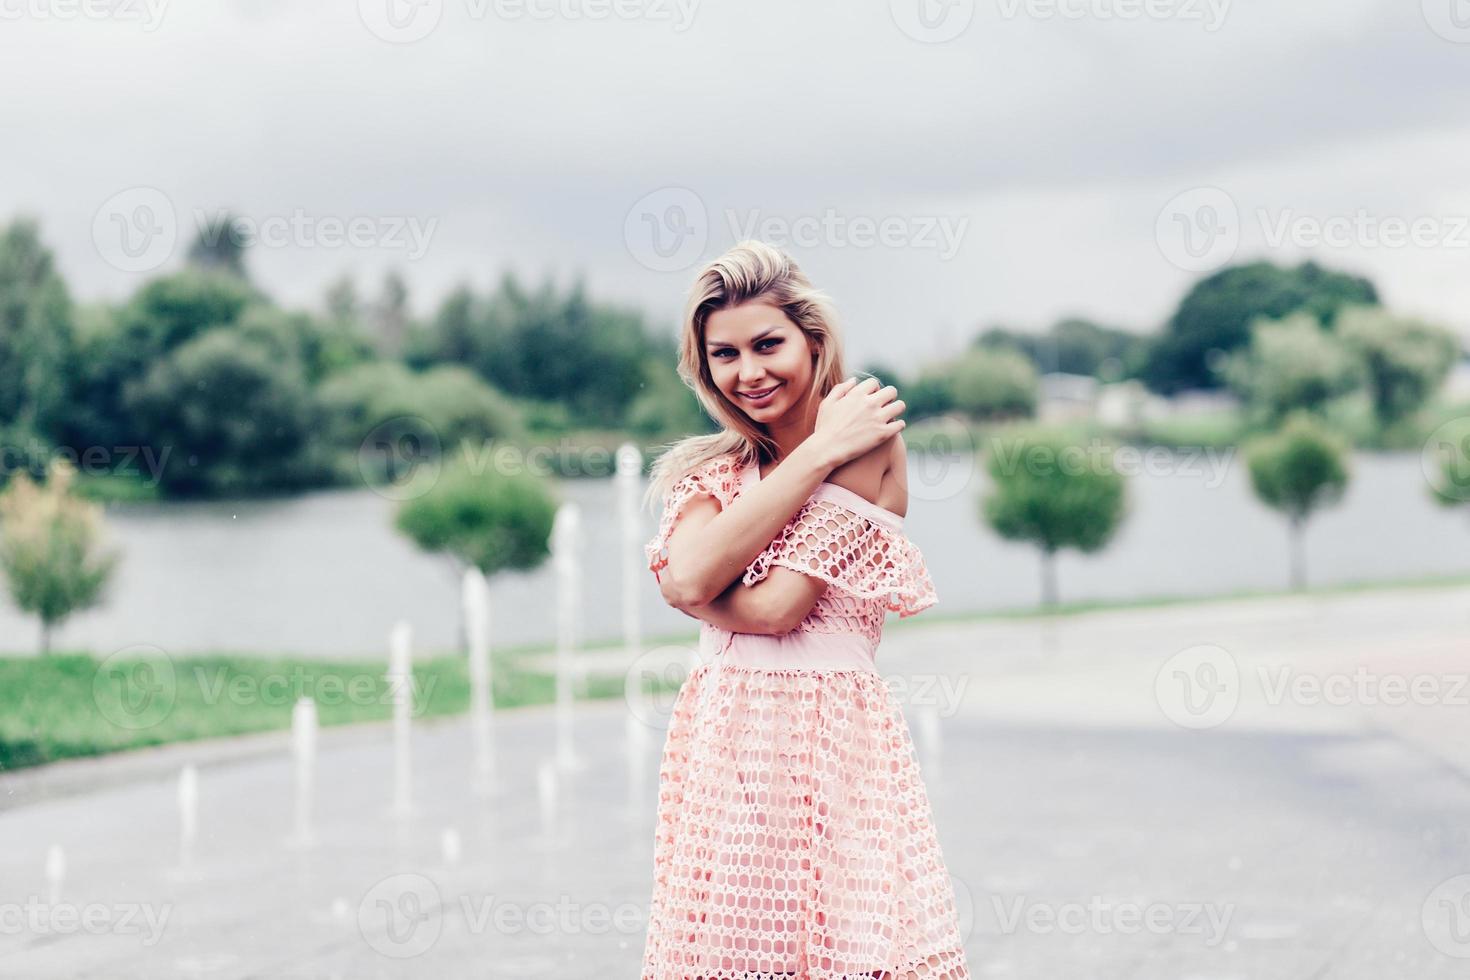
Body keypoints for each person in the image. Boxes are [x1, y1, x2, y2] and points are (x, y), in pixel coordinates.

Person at [638, 240, 971, 980]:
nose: (748, 372)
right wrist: (812, 458)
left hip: (827, 739)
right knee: (729, 953)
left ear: (813, 341)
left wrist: (702, 582)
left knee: (844, 948)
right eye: (724, 355)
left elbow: (779, 607)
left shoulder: (866, 440)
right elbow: (693, 578)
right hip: (726, 743)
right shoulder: (711, 468)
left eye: (767, 344)